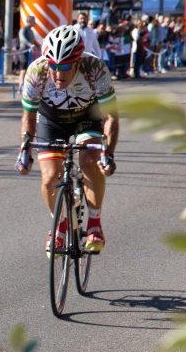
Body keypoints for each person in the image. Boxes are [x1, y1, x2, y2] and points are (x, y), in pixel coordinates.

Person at [16, 25, 118, 255]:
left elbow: (112, 117)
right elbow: (28, 116)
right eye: (53, 65)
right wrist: (25, 152)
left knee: (89, 160)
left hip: (86, 117)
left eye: (64, 66)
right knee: (49, 177)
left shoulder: (95, 69)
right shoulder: (37, 72)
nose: (57, 73)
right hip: (52, 121)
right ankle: (60, 223)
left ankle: (94, 223)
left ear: (78, 63)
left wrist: (108, 153)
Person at [18, 16, 38, 91]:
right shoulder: (23, 29)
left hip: (29, 51)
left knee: (28, 69)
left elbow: (32, 41)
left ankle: (26, 85)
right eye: (33, 21)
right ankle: (21, 86)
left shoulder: (31, 31)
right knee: (23, 68)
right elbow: (22, 39)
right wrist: (30, 45)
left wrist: (36, 45)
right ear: (29, 21)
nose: (35, 23)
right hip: (23, 50)